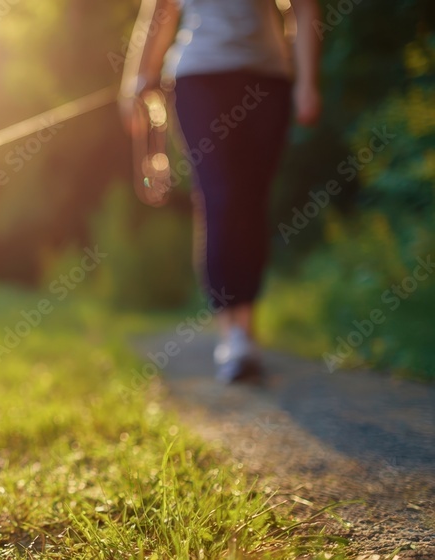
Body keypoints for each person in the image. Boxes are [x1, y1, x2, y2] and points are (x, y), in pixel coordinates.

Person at [120, 0, 321, 382]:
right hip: (200, 77)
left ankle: (245, 323)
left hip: (268, 78)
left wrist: (307, 83)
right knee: (221, 196)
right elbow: (160, 12)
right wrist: (137, 80)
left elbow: (305, 8)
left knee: (251, 200)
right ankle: (234, 331)